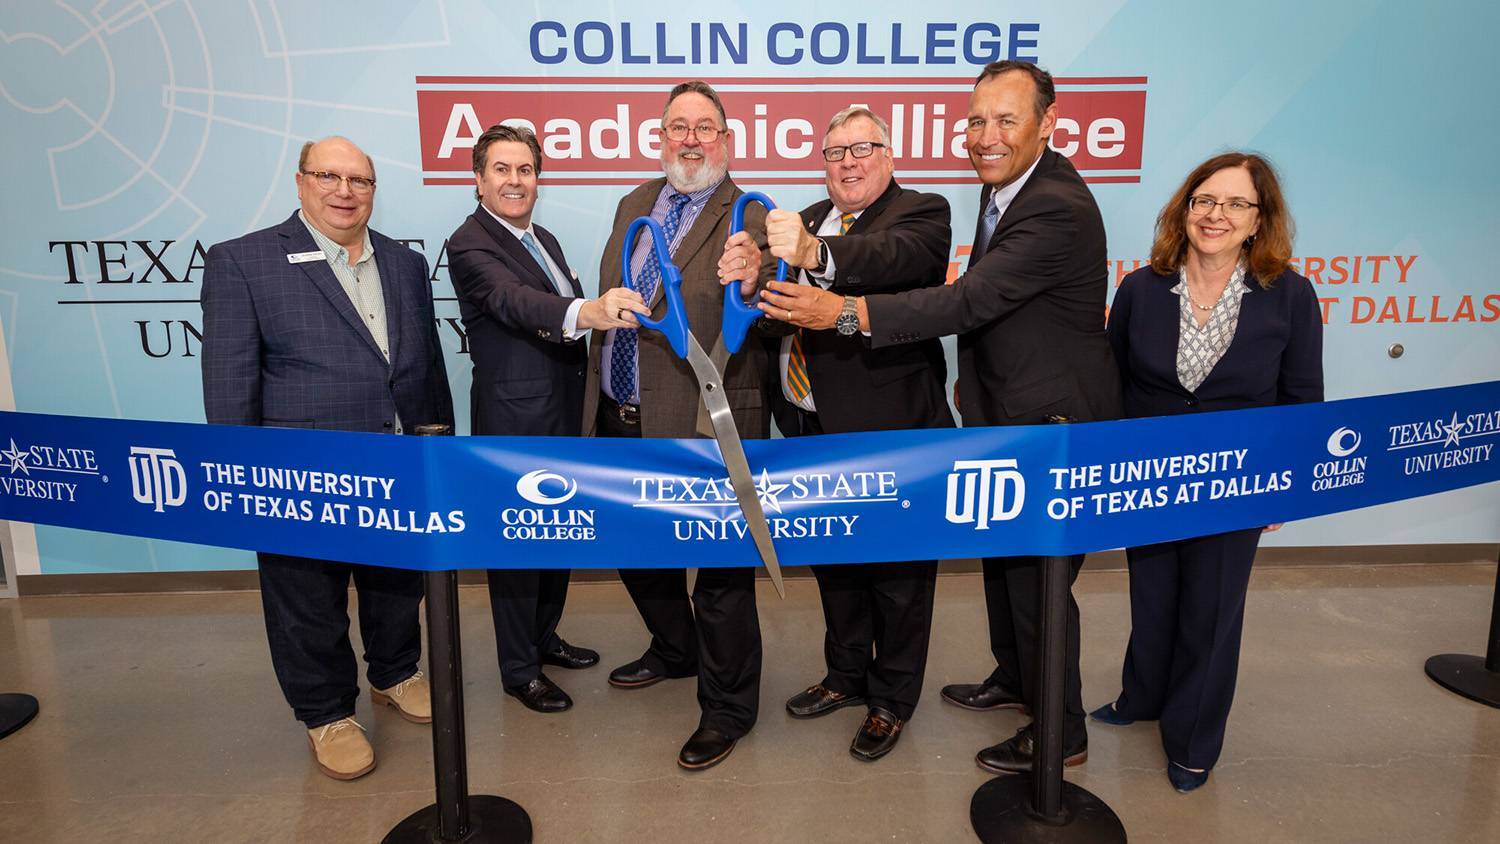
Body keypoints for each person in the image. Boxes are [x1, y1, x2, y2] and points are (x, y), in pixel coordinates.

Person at [759, 60, 1122, 775]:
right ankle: (1013, 680)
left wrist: (846, 310)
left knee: (1033, 584)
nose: (986, 136)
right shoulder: (1005, 192)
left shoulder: (1044, 206)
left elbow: (963, 299)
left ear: (1047, 124)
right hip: (987, 416)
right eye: (977, 120)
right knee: (1000, 572)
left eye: (1006, 119)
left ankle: (1061, 730)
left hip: (1047, 423)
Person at [201, 136, 454, 780]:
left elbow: (423, 363)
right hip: (297, 473)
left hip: (398, 461)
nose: (344, 191)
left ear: (373, 189)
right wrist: (241, 473)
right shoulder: (244, 261)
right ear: (300, 182)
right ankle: (326, 713)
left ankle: (396, 674)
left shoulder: (402, 263)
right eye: (329, 176)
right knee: (306, 599)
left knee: (397, 585)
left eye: (360, 180)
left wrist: (438, 447)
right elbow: (229, 381)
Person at [719, 107, 954, 761]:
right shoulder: (810, 218)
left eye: (862, 148)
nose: (847, 161)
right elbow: (780, 321)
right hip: (808, 426)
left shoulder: (923, 213)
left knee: (900, 577)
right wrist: (754, 285)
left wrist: (814, 254)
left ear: (889, 153)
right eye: (834, 152)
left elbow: (890, 259)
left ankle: (891, 700)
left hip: (894, 432)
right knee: (838, 565)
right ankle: (846, 676)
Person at [1091, 152, 1323, 793]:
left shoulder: (1290, 296)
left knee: (1212, 611)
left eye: (1235, 204)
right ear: (1185, 209)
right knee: (1153, 597)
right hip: (1150, 477)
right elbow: (1114, 385)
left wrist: (1288, 483)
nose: (1216, 214)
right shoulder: (1140, 288)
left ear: (1258, 221)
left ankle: (1194, 740)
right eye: (1204, 200)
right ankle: (1142, 697)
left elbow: (1304, 398)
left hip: (1239, 483)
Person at [580, 80, 780, 771]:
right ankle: (675, 649)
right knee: (637, 550)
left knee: (722, 576)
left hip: (704, 418)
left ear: (726, 141)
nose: (689, 139)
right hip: (620, 414)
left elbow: (771, 292)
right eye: (676, 127)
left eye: (704, 127)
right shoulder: (635, 203)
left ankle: (727, 709)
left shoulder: (751, 213)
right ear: (659, 137)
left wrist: (756, 275)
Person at [447, 124, 648, 713]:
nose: (515, 181)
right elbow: (516, 302)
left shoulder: (545, 240)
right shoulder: (470, 243)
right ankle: (518, 668)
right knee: (515, 544)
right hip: (515, 422)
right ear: (479, 179)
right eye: (502, 170)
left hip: (566, 413)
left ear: (538, 179)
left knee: (556, 531)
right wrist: (589, 309)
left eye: (526, 170)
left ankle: (543, 637)